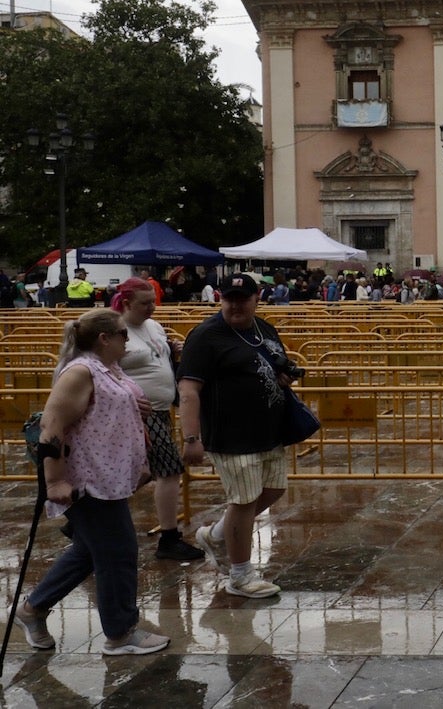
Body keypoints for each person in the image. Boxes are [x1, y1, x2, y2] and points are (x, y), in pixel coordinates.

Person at [14, 309, 170, 655]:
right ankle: (120, 632)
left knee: (89, 550)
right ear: (104, 338)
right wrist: (54, 483)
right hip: (89, 480)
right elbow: (52, 427)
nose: (127, 340)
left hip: (110, 476)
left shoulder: (108, 369)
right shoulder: (80, 372)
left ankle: (32, 609)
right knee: (118, 552)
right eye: (122, 335)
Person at [178, 273, 294, 599]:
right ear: (219, 298)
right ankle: (240, 575)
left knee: (273, 490)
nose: (235, 305)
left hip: (269, 431)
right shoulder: (205, 336)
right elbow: (188, 390)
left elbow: (271, 364)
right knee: (243, 503)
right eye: (229, 299)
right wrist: (191, 438)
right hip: (231, 434)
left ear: (258, 298)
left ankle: (216, 534)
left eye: (243, 299)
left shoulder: (264, 329)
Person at [111, 278, 205, 562]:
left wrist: (171, 350)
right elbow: (101, 368)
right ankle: (169, 537)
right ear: (126, 303)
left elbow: (155, 356)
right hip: (138, 411)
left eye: (153, 301)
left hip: (161, 408)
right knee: (169, 469)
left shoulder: (153, 326)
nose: (152, 307)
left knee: (143, 470)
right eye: (145, 303)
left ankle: (88, 512)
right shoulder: (115, 330)